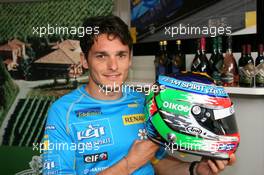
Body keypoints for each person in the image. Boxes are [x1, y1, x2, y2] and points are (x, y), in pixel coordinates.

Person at [42, 15, 236, 175]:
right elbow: (138, 160)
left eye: (121, 55)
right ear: (84, 60)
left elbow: (158, 162)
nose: (113, 66)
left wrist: (197, 169)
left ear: (130, 58)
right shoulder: (62, 112)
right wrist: (129, 164)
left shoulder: (145, 102)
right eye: (101, 56)